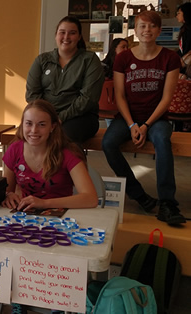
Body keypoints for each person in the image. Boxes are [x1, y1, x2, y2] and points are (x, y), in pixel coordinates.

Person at [102, 11, 186, 225]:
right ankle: (139, 195)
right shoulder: (123, 58)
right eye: (142, 26)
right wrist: (131, 124)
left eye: (151, 26)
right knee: (108, 142)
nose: (147, 30)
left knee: (162, 140)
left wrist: (146, 125)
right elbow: (120, 95)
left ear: (158, 30)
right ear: (136, 30)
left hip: (156, 119)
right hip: (128, 117)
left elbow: (167, 98)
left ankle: (168, 203)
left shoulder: (170, 58)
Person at [1, 99, 97, 212]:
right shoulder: (14, 149)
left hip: (62, 218)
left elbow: (91, 198)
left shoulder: (68, 153)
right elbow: (6, 190)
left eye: (41, 125)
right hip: (25, 217)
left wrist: (44, 203)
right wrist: (8, 195)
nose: (34, 130)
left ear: (52, 127)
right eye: (28, 124)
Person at [26, 16, 104, 144]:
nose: (66, 37)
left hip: (81, 117)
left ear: (79, 37)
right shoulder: (42, 60)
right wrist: (47, 117)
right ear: (56, 35)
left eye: (72, 33)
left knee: (64, 136)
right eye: (62, 32)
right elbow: (32, 94)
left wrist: (59, 118)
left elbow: (88, 99)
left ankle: (72, 164)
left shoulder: (89, 60)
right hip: (45, 116)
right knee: (26, 133)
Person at [102, 38, 129, 127]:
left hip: (125, 102)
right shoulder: (103, 66)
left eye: (127, 47)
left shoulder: (129, 65)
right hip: (109, 103)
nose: (126, 49)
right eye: (123, 47)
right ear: (115, 48)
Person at [176, 2, 191, 79]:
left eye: (179, 13)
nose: (176, 16)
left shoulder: (188, 30)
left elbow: (187, 51)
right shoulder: (184, 28)